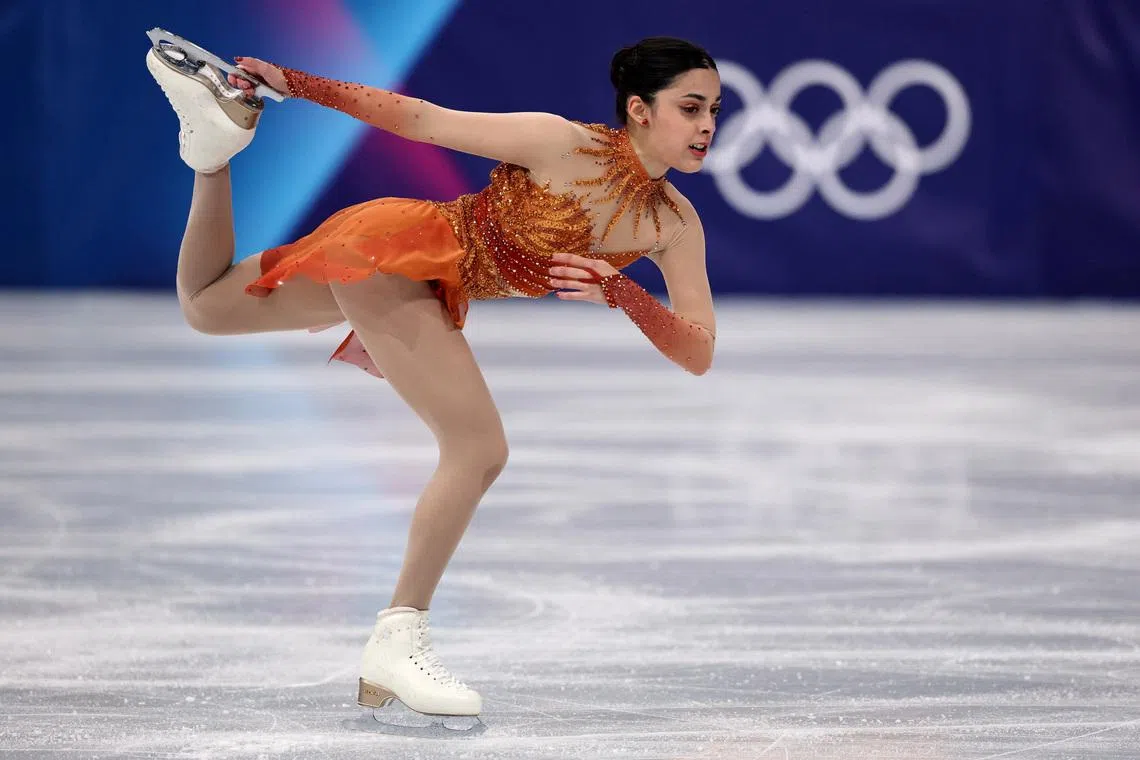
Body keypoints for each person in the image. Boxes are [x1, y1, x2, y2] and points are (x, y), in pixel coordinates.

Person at [145, 33, 719, 730]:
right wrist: (297, 82)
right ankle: (399, 638)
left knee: (207, 306)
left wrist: (625, 295)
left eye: (714, 110)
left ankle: (210, 153)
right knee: (478, 448)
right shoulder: (556, 141)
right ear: (639, 109)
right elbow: (421, 119)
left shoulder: (674, 225)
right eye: (691, 108)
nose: (707, 126)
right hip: (400, 249)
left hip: (419, 272)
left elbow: (697, 352)